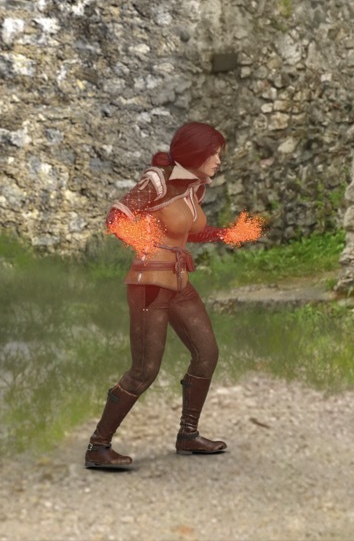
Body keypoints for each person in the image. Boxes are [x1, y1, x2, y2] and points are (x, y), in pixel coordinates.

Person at [85, 122, 258, 469]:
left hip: (179, 283)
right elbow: (117, 219)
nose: (218, 161)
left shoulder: (195, 188)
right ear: (196, 152)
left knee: (206, 354)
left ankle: (188, 435)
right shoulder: (157, 181)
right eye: (213, 154)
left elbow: (189, 231)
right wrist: (147, 245)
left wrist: (228, 234)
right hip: (150, 285)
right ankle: (98, 447)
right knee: (144, 370)